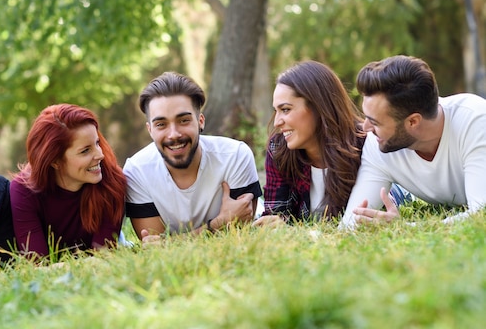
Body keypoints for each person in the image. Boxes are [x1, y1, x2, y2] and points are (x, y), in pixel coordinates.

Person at [341, 55, 486, 229]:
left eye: (375, 122)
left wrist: (407, 227)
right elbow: (353, 221)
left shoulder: (474, 121)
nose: (365, 128)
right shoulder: (377, 143)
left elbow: (481, 214)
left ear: (413, 122)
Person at [123, 71, 263, 244]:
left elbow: (240, 232)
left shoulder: (235, 155)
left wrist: (174, 242)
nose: (173, 134)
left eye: (183, 121)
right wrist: (219, 223)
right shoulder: (137, 171)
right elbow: (155, 248)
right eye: (161, 124)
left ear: (200, 121)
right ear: (150, 130)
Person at [254, 60, 367, 225]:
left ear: (318, 106)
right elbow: (275, 216)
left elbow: (364, 218)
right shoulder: (279, 149)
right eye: (276, 111)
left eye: (285, 109)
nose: (277, 122)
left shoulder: (362, 143)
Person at [10, 104, 127, 259]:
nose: (100, 155)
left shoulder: (112, 181)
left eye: (97, 143)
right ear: (54, 161)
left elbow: (103, 258)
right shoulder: (23, 190)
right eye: (85, 150)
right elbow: (36, 265)